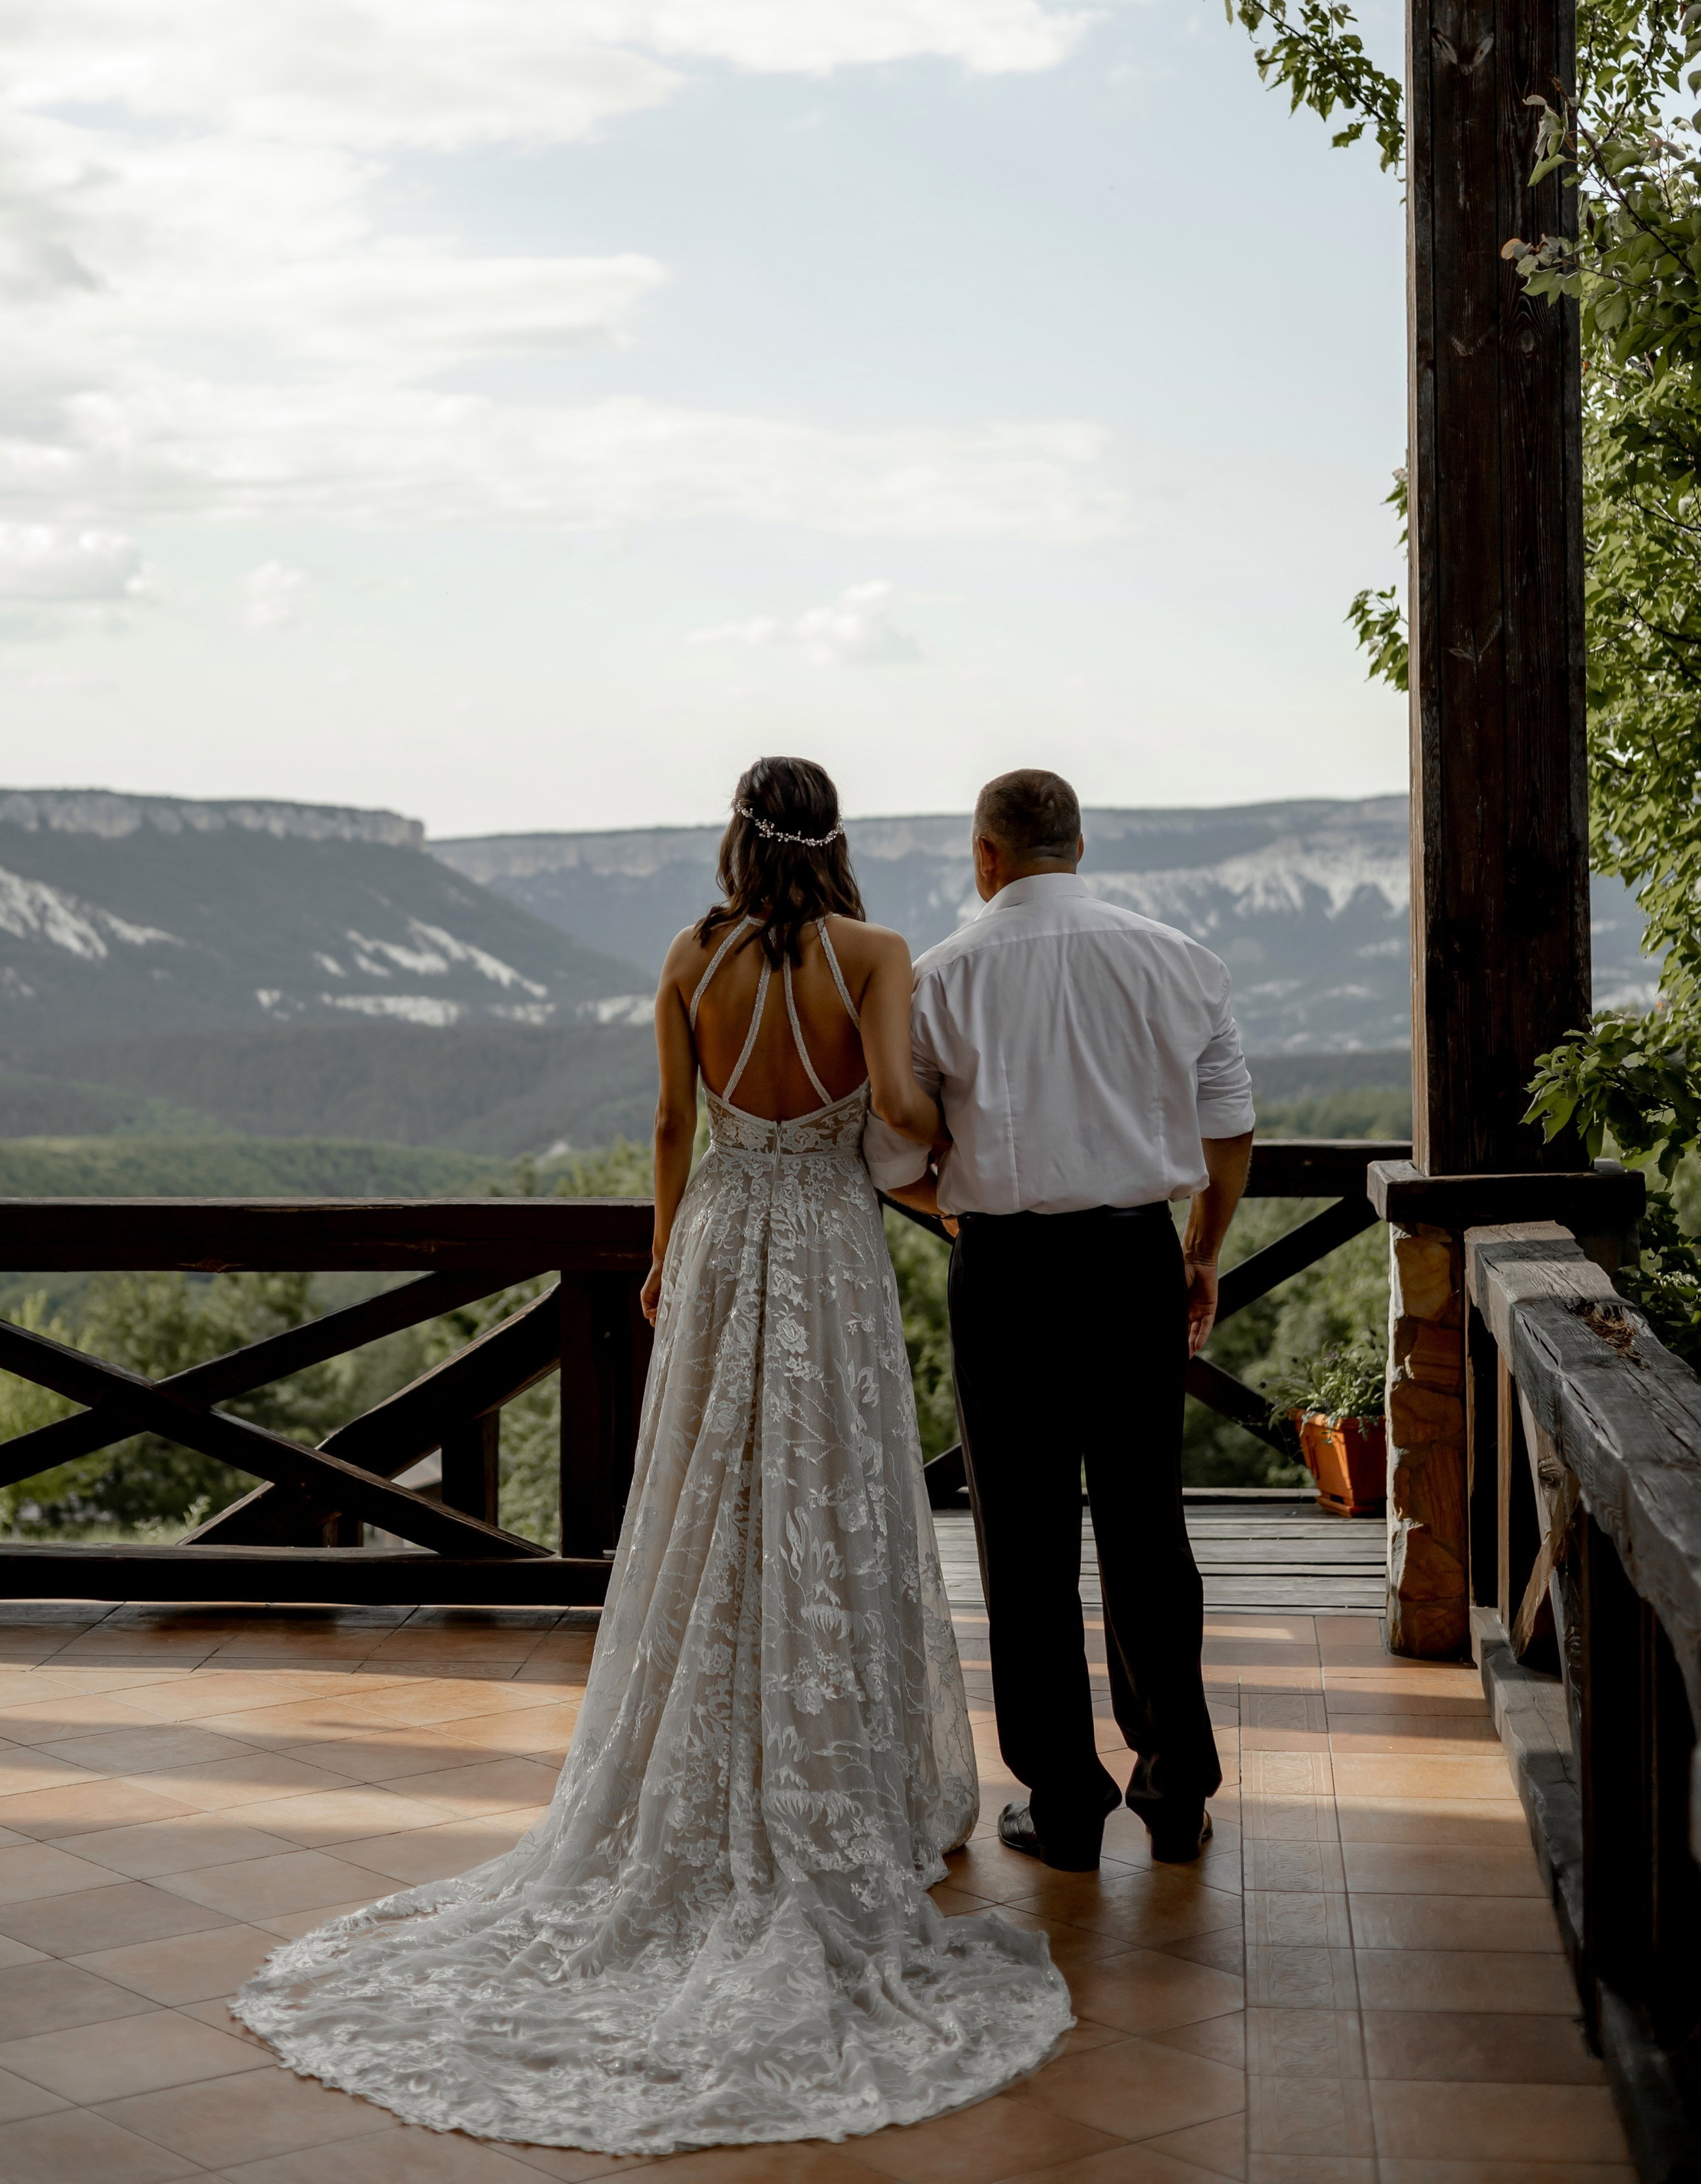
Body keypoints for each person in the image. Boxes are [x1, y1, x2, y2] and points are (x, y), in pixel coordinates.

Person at [235, 755, 1072, 2154]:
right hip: (826, 1252)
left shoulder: (689, 955)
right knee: (831, 1495)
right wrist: (958, 1123)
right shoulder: (874, 952)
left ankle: (699, 1763)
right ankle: (851, 1776)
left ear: (737, 838)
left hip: (723, 1244)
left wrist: (662, 1254)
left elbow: (673, 1124)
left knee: (710, 1501)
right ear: (839, 838)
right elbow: (900, 1119)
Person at [866, 767, 1254, 1873]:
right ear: (1079, 849)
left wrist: (966, 1216)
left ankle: (1065, 1803)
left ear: (985, 858)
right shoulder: (1178, 960)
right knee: (1144, 1526)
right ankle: (1175, 1791)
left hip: (1003, 1273)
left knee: (1024, 1542)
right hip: (1136, 1258)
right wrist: (1202, 1249)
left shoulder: (941, 978)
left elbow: (893, 1156)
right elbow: (1229, 1129)